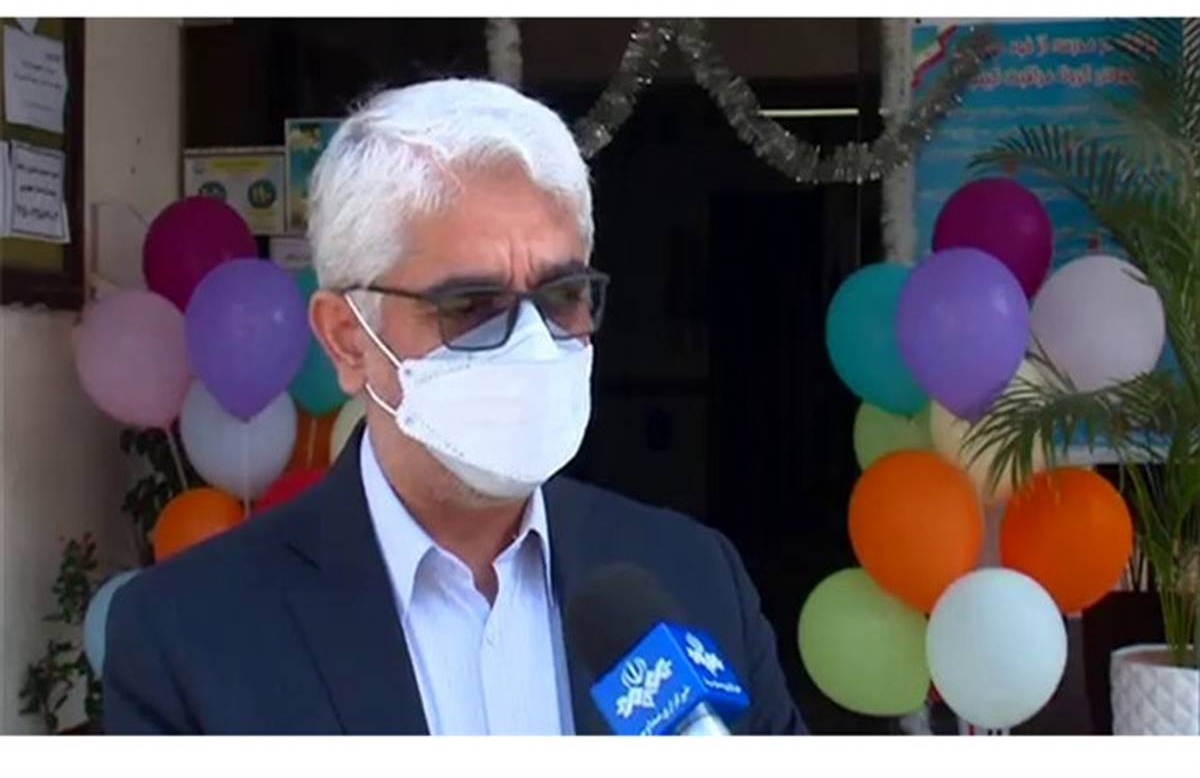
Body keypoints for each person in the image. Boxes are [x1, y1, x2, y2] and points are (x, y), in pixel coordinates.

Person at [103, 79, 806, 735]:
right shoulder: (186, 636)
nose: (532, 345)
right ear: (347, 338)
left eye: (562, 296)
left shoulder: (693, 576)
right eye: (471, 306)